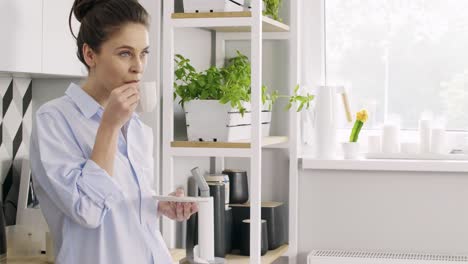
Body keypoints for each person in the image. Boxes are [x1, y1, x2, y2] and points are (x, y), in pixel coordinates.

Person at [29, 0, 198, 263]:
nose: (139, 66)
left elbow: (122, 211)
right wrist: (108, 126)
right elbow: (87, 211)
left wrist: (157, 204)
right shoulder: (54, 120)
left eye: (143, 53)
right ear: (90, 55)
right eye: (125, 53)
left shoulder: (138, 127)